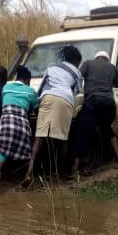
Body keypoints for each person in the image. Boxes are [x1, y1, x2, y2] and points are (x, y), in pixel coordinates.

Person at [24, 45, 82, 186]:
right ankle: (61, 174)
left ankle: (28, 172)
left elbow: (42, 88)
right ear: (75, 60)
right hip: (65, 100)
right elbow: (77, 92)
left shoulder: (51, 68)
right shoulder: (77, 73)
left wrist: (38, 106)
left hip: (47, 97)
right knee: (62, 140)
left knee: (39, 137)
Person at [70, 50, 118, 176]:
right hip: (110, 104)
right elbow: (116, 84)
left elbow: (78, 75)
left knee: (83, 132)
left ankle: (76, 168)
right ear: (106, 59)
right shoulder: (112, 67)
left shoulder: (88, 63)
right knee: (107, 129)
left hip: (93, 101)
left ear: (96, 58)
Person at [0, 66, 39, 198]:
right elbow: (37, 109)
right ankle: (26, 176)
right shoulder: (30, 91)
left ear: (16, 78)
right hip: (22, 127)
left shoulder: (5, 88)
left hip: (5, 125)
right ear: (27, 80)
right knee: (26, 155)